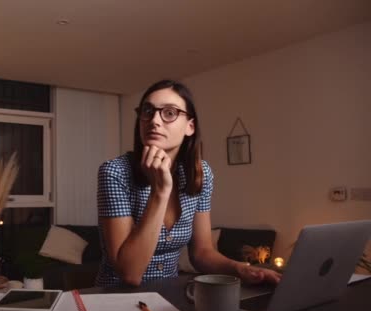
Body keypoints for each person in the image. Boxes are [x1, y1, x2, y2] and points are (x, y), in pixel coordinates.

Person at [95, 79, 281, 287]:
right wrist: (160, 192)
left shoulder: (201, 173)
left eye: (170, 113)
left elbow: (202, 253)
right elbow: (129, 273)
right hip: (115, 300)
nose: (154, 120)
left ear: (190, 127)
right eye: (148, 111)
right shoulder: (115, 172)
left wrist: (240, 268)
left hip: (170, 297)